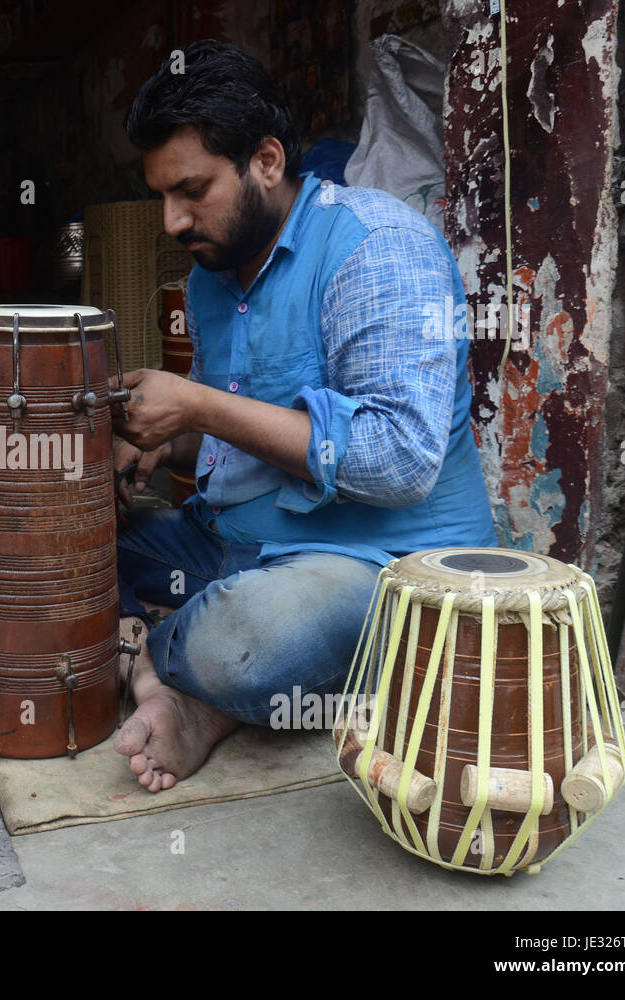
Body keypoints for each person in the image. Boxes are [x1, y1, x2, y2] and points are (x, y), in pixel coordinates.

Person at [109, 40, 497, 793]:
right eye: (161, 195)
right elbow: (235, 438)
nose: (172, 220)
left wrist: (195, 402)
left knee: (251, 637)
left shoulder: (376, 248)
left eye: (191, 189)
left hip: (375, 566)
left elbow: (399, 460)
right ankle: (175, 686)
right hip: (232, 546)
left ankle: (167, 668)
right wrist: (160, 441)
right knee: (59, 557)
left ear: (265, 159)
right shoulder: (211, 279)